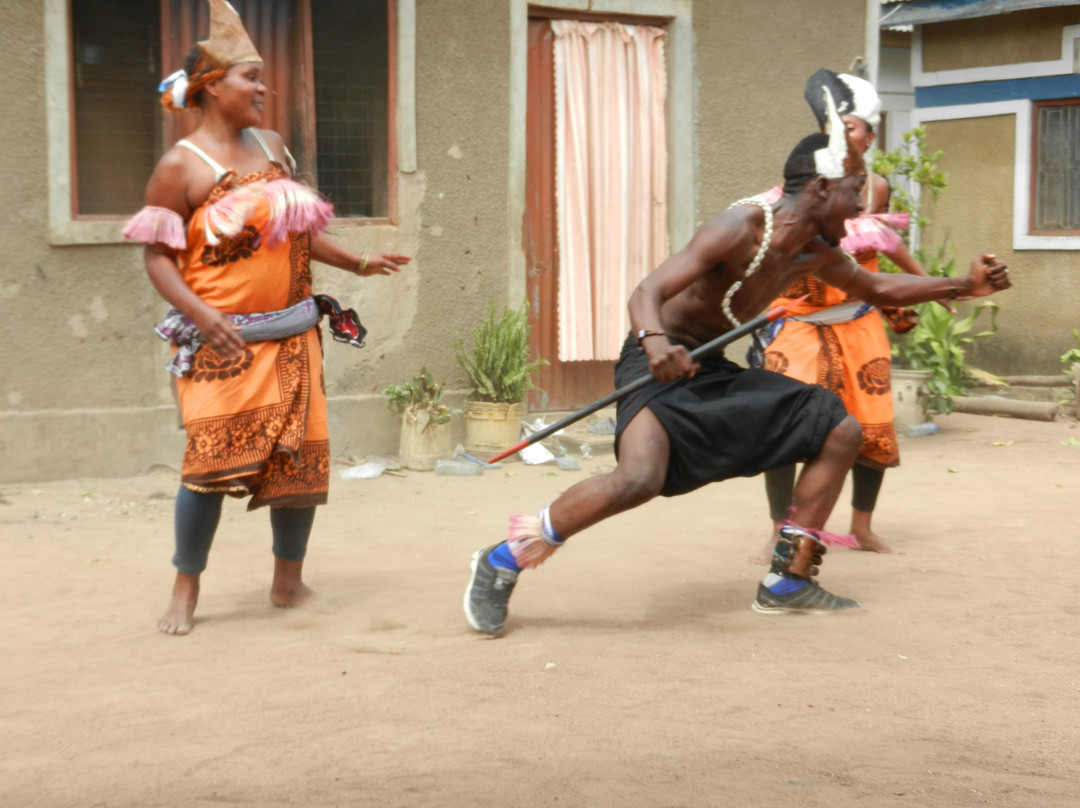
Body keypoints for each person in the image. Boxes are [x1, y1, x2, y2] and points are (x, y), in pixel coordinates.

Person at [463, 88, 1010, 635]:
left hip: (709, 366)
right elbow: (646, 291)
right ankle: (501, 561)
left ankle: (789, 579)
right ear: (820, 188)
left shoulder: (816, 252)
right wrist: (656, 345)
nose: (861, 205)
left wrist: (962, 285)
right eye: (853, 191)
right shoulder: (740, 226)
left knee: (837, 427)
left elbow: (876, 285)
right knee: (638, 479)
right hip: (655, 360)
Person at [123, 0, 409, 635]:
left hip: (294, 334)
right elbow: (158, 259)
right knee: (207, 464)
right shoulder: (182, 166)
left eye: (260, 77)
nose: (262, 88)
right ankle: (186, 589)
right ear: (211, 86)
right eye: (250, 77)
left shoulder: (272, 146)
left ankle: (288, 582)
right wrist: (202, 314)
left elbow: (299, 236)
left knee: (300, 460)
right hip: (223, 346)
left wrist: (361, 263)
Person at [753, 68, 950, 555]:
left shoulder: (875, 186)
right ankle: (783, 528)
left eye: (872, 129)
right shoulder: (789, 187)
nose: (870, 137)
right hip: (797, 324)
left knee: (870, 423)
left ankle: (861, 528)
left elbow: (887, 241)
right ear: (835, 126)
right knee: (785, 423)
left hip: (860, 321)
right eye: (862, 127)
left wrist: (933, 285)